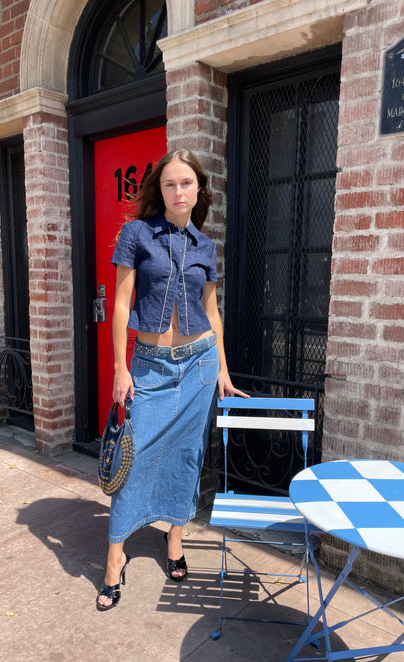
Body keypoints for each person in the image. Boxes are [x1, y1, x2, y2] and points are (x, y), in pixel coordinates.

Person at [97, 149, 247, 611]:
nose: (178, 191)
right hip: (151, 366)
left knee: (185, 458)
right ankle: (114, 559)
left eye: (186, 183)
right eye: (169, 184)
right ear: (158, 190)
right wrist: (121, 368)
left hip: (199, 367)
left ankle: (175, 543)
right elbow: (121, 306)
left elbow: (211, 311)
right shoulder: (136, 234)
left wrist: (221, 369)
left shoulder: (205, 246)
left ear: (198, 189)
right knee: (134, 458)